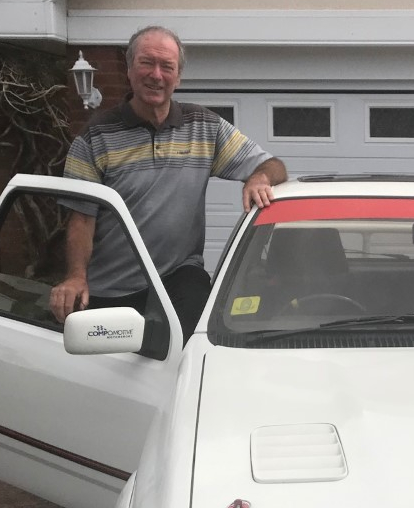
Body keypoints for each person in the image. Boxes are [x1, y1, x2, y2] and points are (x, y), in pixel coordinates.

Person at [49, 25, 287, 342]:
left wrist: (259, 176)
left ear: (178, 77)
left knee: (198, 341)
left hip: (177, 277)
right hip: (112, 286)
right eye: (147, 63)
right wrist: (76, 276)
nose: (156, 75)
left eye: (167, 67)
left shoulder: (205, 127)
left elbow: (274, 166)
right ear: (129, 69)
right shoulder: (95, 138)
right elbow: (81, 219)